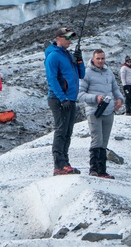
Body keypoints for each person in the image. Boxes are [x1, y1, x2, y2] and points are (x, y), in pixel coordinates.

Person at [44, 26, 86, 175]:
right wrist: (63, 98)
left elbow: (81, 74)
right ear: (58, 39)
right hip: (59, 99)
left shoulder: (67, 55)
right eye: (67, 37)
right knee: (61, 131)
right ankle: (59, 165)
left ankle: (65, 163)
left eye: (70, 37)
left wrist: (80, 60)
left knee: (68, 132)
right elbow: (52, 79)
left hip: (70, 99)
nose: (70, 40)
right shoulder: (53, 56)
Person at [79, 49, 124, 178]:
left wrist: (120, 99)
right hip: (94, 111)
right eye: (98, 58)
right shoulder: (86, 73)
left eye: (102, 58)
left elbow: (115, 88)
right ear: (93, 59)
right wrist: (95, 98)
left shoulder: (108, 72)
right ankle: (93, 169)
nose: (100, 61)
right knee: (97, 139)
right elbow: (80, 94)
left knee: (104, 141)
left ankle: (102, 170)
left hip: (109, 110)